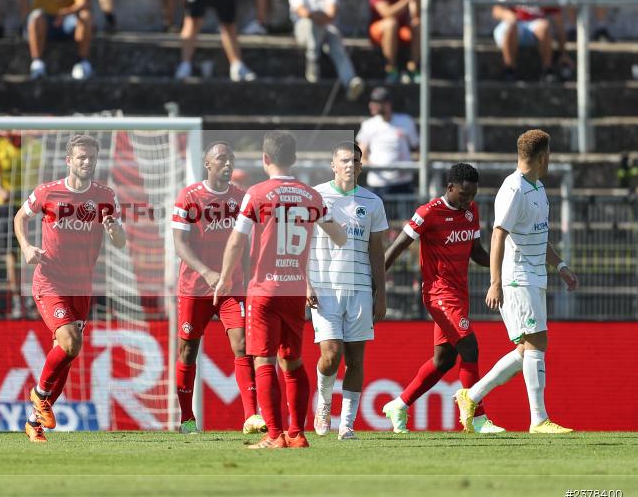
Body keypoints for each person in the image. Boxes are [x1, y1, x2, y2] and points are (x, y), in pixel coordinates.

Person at [214, 130, 348, 449]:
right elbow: (339, 237)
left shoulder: (257, 194)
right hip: (294, 289)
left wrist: (223, 278)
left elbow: (237, 240)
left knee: (263, 361)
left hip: (264, 289)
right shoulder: (310, 196)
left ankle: (274, 436)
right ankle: (297, 434)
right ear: (295, 159)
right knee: (293, 361)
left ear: (265, 159)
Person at [456, 130, 578, 434]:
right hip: (518, 277)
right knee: (537, 342)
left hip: (537, 275)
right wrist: (495, 282)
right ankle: (538, 419)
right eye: (549, 155)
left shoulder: (537, 188)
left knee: (527, 349)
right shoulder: (513, 189)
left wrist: (560, 265)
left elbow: (539, 235)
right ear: (541, 157)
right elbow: (498, 234)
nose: (550, 160)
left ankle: (471, 396)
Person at [14, 134, 127, 443]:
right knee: (70, 340)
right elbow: (20, 217)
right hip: (50, 279)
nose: (87, 162)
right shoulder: (48, 192)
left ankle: (34, 422)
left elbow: (121, 242)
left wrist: (114, 230)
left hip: (82, 285)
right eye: (81, 157)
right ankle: (39, 396)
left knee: (68, 350)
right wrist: (25, 246)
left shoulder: (105, 196)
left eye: (91, 157)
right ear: (69, 160)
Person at [381, 163, 505, 434]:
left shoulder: (471, 210)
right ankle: (477, 417)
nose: (468, 200)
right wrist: (375, 282)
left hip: (460, 295)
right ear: (450, 188)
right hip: (438, 294)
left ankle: (399, 405)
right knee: (470, 348)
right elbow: (397, 247)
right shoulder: (428, 213)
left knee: (444, 360)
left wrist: (504, 263)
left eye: (472, 195)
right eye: (463, 194)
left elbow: (478, 253)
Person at [171, 141, 265, 435]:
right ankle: (187, 419)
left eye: (231, 159)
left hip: (232, 287)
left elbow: (247, 244)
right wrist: (205, 271)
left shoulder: (242, 198)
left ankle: (251, 416)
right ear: (207, 163)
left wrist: (249, 282)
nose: (227, 163)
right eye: (221, 158)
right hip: (194, 287)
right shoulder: (189, 197)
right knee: (188, 351)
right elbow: (180, 243)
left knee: (242, 345)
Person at [308, 142, 387, 440]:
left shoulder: (373, 202)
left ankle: (348, 425)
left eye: (355, 160)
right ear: (333, 164)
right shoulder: (315, 198)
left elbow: (377, 252)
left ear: (362, 165)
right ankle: (325, 404)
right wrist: (305, 282)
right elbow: (300, 243)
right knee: (331, 354)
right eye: (344, 160)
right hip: (325, 289)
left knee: (356, 359)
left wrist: (381, 293)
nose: (350, 165)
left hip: (360, 289)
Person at [288, 0, 364, 99]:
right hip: (303, 31)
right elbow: (303, 13)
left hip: (326, 31)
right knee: (314, 25)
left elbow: (331, 14)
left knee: (334, 38)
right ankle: (312, 59)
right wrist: (318, 16)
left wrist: (317, 16)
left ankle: (350, 81)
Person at [493, 0, 572, 82]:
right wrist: (507, 15)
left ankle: (547, 70)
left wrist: (564, 53)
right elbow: (496, 10)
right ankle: (509, 69)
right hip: (513, 28)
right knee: (511, 26)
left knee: (545, 26)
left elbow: (559, 24)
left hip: (533, 31)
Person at [0, 132, 26, 317]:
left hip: (30, 205)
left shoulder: (34, 146)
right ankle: (17, 300)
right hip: (6, 206)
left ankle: (34, 298)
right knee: (11, 254)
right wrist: (1, 191)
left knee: (32, 252)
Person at [356, 86, 419, 197]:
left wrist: (409, 167)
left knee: (405, 215)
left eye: (377, 102)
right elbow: (361, 155)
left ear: (388, 104)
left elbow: (418, 149)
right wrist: (377, 168)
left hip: (403, 183)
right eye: (373, 102)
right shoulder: (368, 125)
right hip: (378, 183)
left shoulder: (406, 121)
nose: (372, 105)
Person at [368, 0, 420, 84]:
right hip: (379, 31)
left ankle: (413, 68)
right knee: (391, 23)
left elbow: (416, 15)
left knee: (418, 24)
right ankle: (391, 69)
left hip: (401, 31)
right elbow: (386, 13)